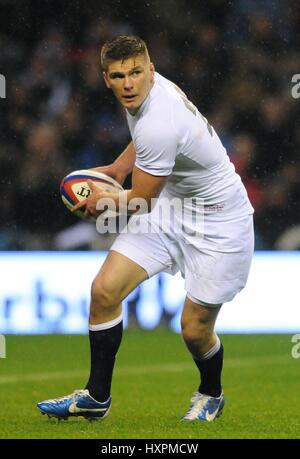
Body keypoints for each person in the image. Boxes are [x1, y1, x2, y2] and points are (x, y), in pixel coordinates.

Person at [37, 35, 254, 422]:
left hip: (219, 220)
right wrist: (118, 169)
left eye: (136, 73)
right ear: (106, 77)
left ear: (150, 70)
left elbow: (140, 200)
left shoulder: (159, 118)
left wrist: (99, 202)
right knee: (104, 290)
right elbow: (143, 148)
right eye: (119, 75)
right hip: (172, 208)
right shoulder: (143, 98)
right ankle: (96, 396)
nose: (128, 83)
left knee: (194, 330)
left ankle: (212, 393)